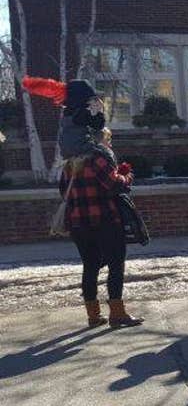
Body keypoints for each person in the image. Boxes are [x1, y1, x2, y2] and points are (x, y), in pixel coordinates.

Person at [57, 86, 144, 328]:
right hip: (105, 220)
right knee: (116, 265)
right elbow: (114, 185)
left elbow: (63, 192)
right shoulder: (97, 158)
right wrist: (127, 176)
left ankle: (93, 315)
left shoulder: (69, 163)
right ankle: (117, 313)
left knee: (90, 266)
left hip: (78, 224)